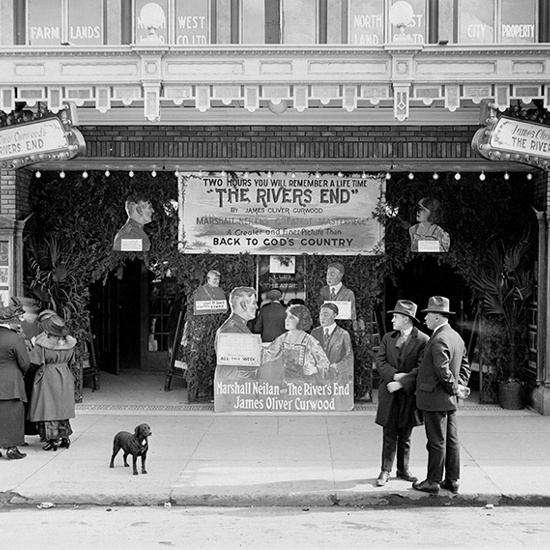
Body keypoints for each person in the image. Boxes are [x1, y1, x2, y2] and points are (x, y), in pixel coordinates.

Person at [412, 296, 471, 495]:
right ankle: (452, 479)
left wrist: (455, 388)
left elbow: (442, 370)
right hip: (449, 399)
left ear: (437, 317)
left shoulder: (438, 339)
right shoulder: (455, 336)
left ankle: (432, 481)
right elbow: (465, 366)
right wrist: (460, 386)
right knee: (451, 440)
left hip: (436, 398)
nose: (425, 318)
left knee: (436, 440)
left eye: (428, 314)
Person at [374, 300, 429, 487]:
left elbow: (422, 368)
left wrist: (403, 383)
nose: (392, 320)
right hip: (389, 392)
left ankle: (403, 469)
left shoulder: (423, 340)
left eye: (395, 317)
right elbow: (380, 361)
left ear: (406, 319)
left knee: (406, 432)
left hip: (408, 394)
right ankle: (385, 470)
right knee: (389, 431)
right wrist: (395, 376)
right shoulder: (388, 338)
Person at [29, 315, 77, 451]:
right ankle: (65, 436)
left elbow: (33, 361)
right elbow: (72, 361)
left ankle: (53, 439)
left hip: (48, 376)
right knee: (62, 407)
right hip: (65, 375)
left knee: (49, 408)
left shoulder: (43, 344)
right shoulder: (70, 344)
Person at [260, 304, 330, 384]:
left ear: (301, 320)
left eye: (292, 318)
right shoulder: (283, 338)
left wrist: (315, 369)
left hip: (306, 386)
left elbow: (325, 363)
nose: (287, 320)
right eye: (287, 317)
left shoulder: (310, 341)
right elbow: (268, 354)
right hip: (286, 383)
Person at [0, 302, 31, 459]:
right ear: (11, 321)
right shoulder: (15, 339)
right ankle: (11, 448)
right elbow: (25, 363)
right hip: (11, 383)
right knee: (13, 415)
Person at [214, 286, 259, 381]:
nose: (256, 307)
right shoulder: (232, 330)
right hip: (235, 387)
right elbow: (249, 363)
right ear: (244, 305)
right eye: (254, 303)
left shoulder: (235, 326)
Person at [311, 303, 353, 381]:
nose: (322, 318)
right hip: (317, 379)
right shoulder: (315, 332)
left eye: (326, 315)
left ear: (334, 315)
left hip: (336, 379)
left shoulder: (343, 334)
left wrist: (336, 367)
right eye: (321, 315)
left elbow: (349, 357)